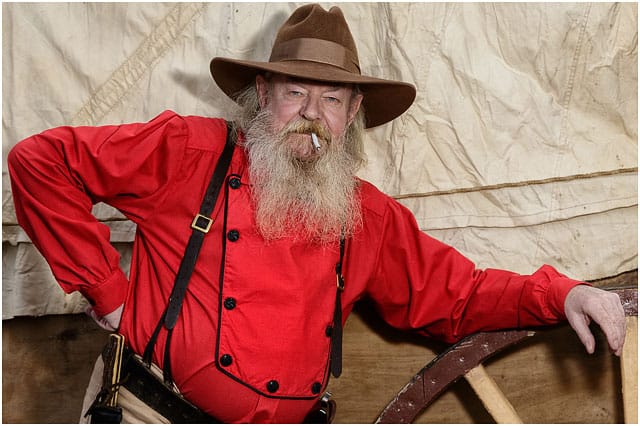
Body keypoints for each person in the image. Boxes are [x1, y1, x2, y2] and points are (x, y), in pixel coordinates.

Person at [7, 3, 626, 424]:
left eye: (330, 97)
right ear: (263, 96)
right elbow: (40, 162)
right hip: (151, 414)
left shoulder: (365, 217)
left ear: (352, 113)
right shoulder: (190, 153)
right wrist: (109, 292)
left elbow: (458, 295)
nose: (312, 113)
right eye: (295, 92)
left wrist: (561, 294)